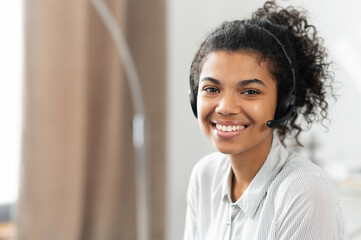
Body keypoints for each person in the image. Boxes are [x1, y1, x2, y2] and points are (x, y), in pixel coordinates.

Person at [184, 1, 346, 239]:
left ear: (282, 104)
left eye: (250, 91)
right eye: (211, 89)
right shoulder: (204, 175)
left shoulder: (304, 191)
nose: (225, 107)